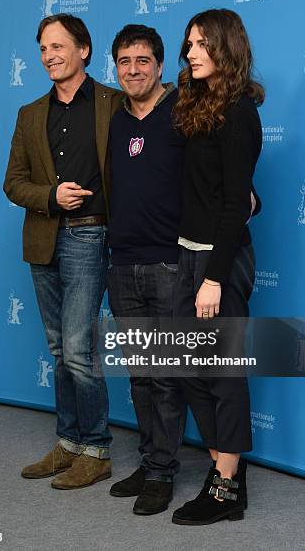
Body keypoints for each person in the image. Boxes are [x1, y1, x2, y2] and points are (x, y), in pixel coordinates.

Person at [3, 14, 123, 490]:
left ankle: (96, 448)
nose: (49, 56)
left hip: (90, 236)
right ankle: (69, 442)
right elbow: (13, 183)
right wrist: (51, 197)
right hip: (42, 240)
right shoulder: (29, 113)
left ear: (84, 50)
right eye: (43, 49)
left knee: (78, 349)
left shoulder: (113, 104)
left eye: (58, 46)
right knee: (59, 351)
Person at [171, 9, 264, 525]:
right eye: (188, 43)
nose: (190, 52)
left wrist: (213, 277)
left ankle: (225, 486)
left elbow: (233, 204)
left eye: (201, 43)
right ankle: (224, 466)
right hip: (189, 251)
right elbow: (230, 189)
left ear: (225, 47)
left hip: (218, 260)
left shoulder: (240, 111)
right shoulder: (199, 105)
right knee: (187, 366)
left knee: (223, 372)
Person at [106, 25, 187, 515]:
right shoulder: (115, 120)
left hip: (170, 264)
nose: (133, 70)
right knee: (139, 374)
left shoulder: (182, 114)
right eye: (124, 61)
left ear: (159, 65)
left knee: (166, 376)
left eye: (142, 60)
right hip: (123, 264)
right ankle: (148, 459)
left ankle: (162, 472)